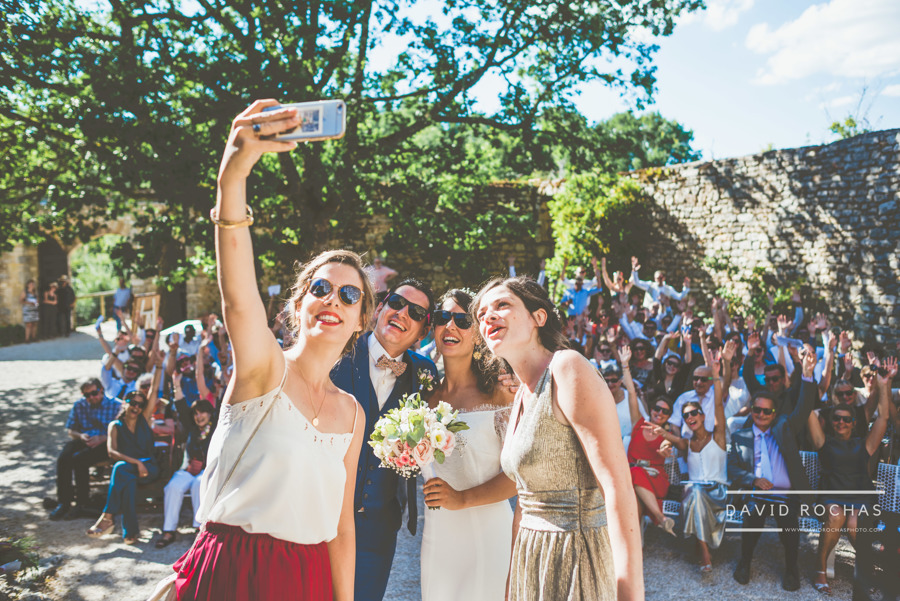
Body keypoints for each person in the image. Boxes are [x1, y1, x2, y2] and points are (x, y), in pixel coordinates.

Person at [163, 101, 370, 601]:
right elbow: (238, 297)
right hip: (237, 572)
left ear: (362, 320)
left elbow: (342, 529)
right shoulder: (265, 367)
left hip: (310, 579)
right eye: (321, 287)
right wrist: (232, 178)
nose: (332, 300)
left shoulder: (353, 413)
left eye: (349, 294)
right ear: (299, 304)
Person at [474, 276, 643, 601]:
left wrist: (630, 594)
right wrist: (512, 585)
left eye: (502, 305)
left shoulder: (567, 368)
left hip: (576, 554)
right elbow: (524, 504)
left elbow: (617, 486)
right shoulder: (521, 394)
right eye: (482, 314)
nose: (488, 317)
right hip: (530, 558)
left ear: (539, 317)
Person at [330, 276, 437, 601]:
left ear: (423, 332)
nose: (403, 313)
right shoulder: (337, 353)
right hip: (322, 517)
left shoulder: (424, 373)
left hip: (379, 526)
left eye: (416, 313)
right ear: (380, 307)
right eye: (397, 303)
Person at [420, 289, 516, 601]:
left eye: (462, 320)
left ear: (477, 334)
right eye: (442, 318)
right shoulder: (423, 399)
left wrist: (461, 499)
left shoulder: (500, 393)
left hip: (487, 531)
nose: (450, 326)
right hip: (438, 534)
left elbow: (519, 475)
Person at [727, 345, 818, 591]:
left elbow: (804, 406)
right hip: (757, 492)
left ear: (774, 413)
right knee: (752, 514)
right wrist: (752, 479)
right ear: (752, 410)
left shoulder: (785, 427)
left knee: (789, 526)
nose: (762, 414)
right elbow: (733, 469)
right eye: (757, 409)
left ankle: (791, 568)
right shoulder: (742, 436)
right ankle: (745, 561)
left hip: (785, 494)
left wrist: (807, 374)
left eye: (767, 411)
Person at [806, 357, 894, 593]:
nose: (841, 422)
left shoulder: (864, 444)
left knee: (855, 522)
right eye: (837, 418)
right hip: (831, 497)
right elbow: (809, 413)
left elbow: (883, 418)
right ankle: (820, 568)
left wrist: (884, 384)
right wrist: (810, 378)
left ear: (854, 423)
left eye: (846, 419)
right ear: (831, 421)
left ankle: (868, 569)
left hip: (860, 498)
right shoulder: (823, 442)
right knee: (836, 515)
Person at [680, 344, 732, 573]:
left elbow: (719, 404)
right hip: (695, 493)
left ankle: (702, 552)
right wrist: (663, 440)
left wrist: (717, 376)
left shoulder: (717, 437)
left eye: (694, 413)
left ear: (702, 415)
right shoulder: (687, 443)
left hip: (718, 492)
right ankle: (705, 554)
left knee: (696, 493)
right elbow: (668, 438)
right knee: (694, 491)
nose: (690, 417)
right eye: (686, 416)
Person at [87, 390, 160, 543]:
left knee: (120, 468)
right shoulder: (115, 425)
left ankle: (108, 517)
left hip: (149, 468)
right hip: (130, 469)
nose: (136, 407)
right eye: (133, 403)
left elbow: (153, 391)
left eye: (140, 405)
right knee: (127, 481)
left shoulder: (144, 420)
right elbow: (111, 452)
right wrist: (136, 463)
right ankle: (130, 533)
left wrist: (159, 367)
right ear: (125, 403)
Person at [50, 378, 121, 520]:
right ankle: (64, 502)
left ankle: (82, 503)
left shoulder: (116, 405)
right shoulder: (80, 405)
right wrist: (81, 436)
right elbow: (71, 431)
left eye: (94, 393)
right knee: (64, 458)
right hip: (85, 438)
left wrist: (102, 438)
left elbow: (121, 431)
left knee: (80, 460)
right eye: (87, 395)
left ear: (101, 390)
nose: (91, 397)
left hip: (106, 441)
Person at [155, 400, 217, 549]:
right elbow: (182, 407)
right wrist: (176, 383)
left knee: (199, 485)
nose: (198, 416)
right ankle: (169, 530)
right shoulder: (192, 428)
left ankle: (199, 530)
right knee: (173, 487)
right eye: (195, 413)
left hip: (208, 470)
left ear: (209, 414)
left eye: (202, 412)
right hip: (189, 469)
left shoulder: (216, 428)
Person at [627, 394, 677, 537]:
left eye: (665, 411)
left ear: (669, 416)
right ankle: (638, 541)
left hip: (655, 478)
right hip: (633, 480)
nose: (660, 413)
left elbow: (666, 444)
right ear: (651, 409)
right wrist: (625, 370)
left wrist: (664, 449)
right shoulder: (639, 424)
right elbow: (631, 394)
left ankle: (659, 518)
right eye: (657, 408)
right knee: (634, 498)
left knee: (635, 472)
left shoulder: (667, 434)